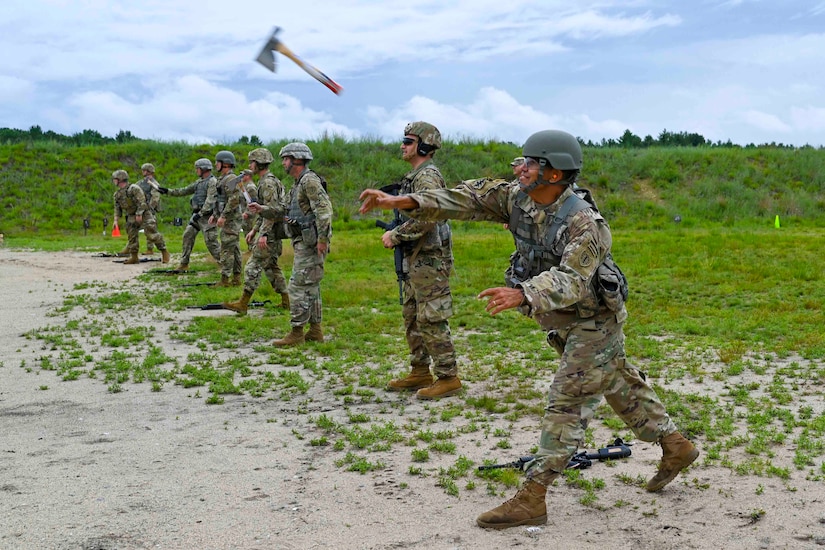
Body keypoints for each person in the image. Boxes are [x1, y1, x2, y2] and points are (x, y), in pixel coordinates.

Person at [359, 129, 699, 529]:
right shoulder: (516, 197)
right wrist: (408, 200)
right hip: (563, 322)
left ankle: (533, 495)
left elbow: (572, 280)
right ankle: (675, 445)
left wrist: (522, 294)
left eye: (532, 162)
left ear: (554, 174)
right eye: (523, 161)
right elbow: (466, 198)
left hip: (594, 321)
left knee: (567, 402)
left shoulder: (585, 223)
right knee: (618, 384)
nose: (521, 167)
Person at [377, 121, 460, 400]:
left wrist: (396, 235)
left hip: (429, 261)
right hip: (418, 259)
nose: (403, 145)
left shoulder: (427, 177)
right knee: (412, 315)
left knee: (431, 317)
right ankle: (420, 370)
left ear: (424, 145)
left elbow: (429, 216)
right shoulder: (416, 176)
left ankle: (448, 376)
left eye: (409, 141)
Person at [270, 142, 332, 346]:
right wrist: (260, 209)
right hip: (304, 242)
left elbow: (324, 211)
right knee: (311, 287)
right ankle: (315, 331)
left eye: (286, 159)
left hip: (310, 244)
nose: (283, 163)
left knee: (297, 286)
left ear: (297, 159)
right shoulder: (298, 183)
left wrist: (322, 240)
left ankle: (297, 333)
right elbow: (283, 210)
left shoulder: (309, 181)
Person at [224, 148, 290, 314]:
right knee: (271, 267)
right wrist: (254, 230)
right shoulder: (265, 182)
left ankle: (243, 304)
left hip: (271, 234)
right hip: (271, 233)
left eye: (252, 162)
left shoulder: (267, 183)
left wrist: (264, 234)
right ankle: (286, 301)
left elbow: (272, 212)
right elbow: (263, 211)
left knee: (252, 266)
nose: (249, 165)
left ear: (259, 163)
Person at [157, 158, 221, 271]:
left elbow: (210, 200)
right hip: (198, 216)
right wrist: (167, 191)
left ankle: (225, 265)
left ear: (204, 169)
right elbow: (184, 190)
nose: (196, 171)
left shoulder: (212, 182)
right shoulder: (199, 183)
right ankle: (184, 263)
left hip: (208, 217)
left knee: (211, 243)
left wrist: (201, 214)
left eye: (198, 168)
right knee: (187, 235)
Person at [111, 169, 170, 264]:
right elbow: (117, 209)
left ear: (120, 179)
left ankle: (164, 251)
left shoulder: (134, 188)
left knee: (151, 234)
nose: (114, 181)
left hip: (145, 214)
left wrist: (139, 214)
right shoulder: (117, 194)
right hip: (131, 215)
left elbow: (142, 201)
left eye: (115, 179)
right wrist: (115, 220)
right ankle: (134, 257)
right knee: (132, 236)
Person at [202, 150, 243, 286]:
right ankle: (236, 278)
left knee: (226, 248)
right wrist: (215, 215)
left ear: (225, 164)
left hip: (231, 219)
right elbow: (220, 199)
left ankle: (225, 279)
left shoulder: (231, 179)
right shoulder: (223, 179)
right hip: (228, 218)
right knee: (234, 248)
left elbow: (234, 199)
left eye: (217, 162)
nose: (215, 165)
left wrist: (223, 216)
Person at [136, 163, 162, 255]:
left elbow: (155, 198)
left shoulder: (154, 184)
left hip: (149, 209)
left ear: (148, 171)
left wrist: (149, 209)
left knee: (150, 229)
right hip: (141, 208)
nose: (143, 172)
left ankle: (151, 248)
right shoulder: (140, 183)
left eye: (144, 170)